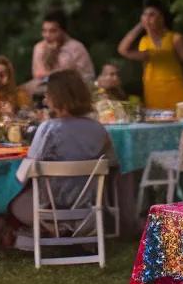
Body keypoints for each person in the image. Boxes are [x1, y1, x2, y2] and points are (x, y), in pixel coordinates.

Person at [9, 70, 112, 223]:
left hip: (50, 207)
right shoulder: (99, 129)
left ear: (57, 96)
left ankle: (53, 228)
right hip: (88, 208)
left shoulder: (48, 129)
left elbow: (24, 173)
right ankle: (73, 228)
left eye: (48, 93)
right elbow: (111, 165)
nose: (45, 97)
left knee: (12, 200)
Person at [117, 2, 183, 111]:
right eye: (144, 15)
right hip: (153, 90)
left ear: (161, 18)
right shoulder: (145, 41)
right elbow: (123, 50)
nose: (147, 18)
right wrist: (140, 26)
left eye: (151, 15)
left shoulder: (175, 38)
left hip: (174, 88)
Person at [27, 10, 94, 92]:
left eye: (53, 31)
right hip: (45, 89)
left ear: (63, 31)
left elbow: (87, 77)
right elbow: (38, 75)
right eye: (44, 31)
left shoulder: (76, 48)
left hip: (73, 91)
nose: (47, 35)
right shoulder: (39, 47)